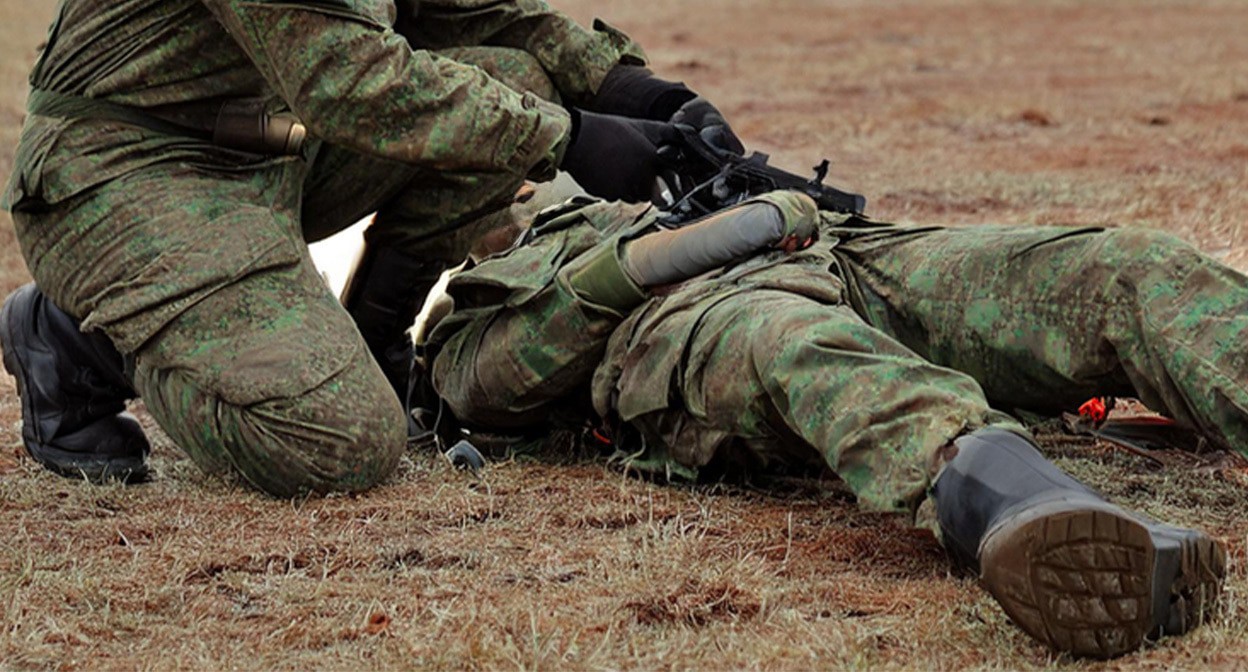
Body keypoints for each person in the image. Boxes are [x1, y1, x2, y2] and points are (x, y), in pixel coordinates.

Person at [421, 190, 1239, 659]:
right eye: (521, 186)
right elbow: (487, 385)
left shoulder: (657, 157)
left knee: (1122, 268)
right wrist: (644, 260)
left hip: (842, 252)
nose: (541, 178)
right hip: (688, 313)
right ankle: (1020, 506)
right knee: (807, 349)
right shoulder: (491, 283)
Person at [0, 0, 741, 496]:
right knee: (340, 441)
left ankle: (374, 340)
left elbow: (477, 14)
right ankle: (78, 341)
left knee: (521, 82)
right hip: (125, 173)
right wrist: (571, 137)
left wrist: (639, 92)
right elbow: (346, 79)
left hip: (265, 148)